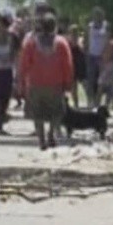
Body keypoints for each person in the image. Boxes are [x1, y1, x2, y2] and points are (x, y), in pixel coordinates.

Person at [19, 13, 74, 151]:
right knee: (56, 112)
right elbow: (67, 64)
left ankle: (41, 139)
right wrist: (68, 82)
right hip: (55, 84)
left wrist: (21, 81)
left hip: (35, 84)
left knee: (37, 113)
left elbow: (24, 64)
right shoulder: (61, 43)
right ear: (55, 26)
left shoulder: (31, 43)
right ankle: (51, 134)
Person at [86, 7, 110, 107]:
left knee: (101, 80)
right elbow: (87, 40)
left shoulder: (106, 25)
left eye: (99, 15)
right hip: (91, 55)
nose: (97, 16)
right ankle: (90, 101)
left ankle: (98, 102)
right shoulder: (90, 26)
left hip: (102, 56)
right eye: (95, 14)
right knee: (91, 79)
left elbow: (108, 40)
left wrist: (106, 54)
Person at [67, 24, 86, 108]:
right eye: (72, 33)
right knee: (73, 88)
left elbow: (83, 52)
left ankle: (90, 101)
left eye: (75, 33)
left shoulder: (80, 43)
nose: (74, 35)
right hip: (72, 66)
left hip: (80, 66)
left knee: (85, 85)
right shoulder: (67, 43)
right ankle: (76, 105)